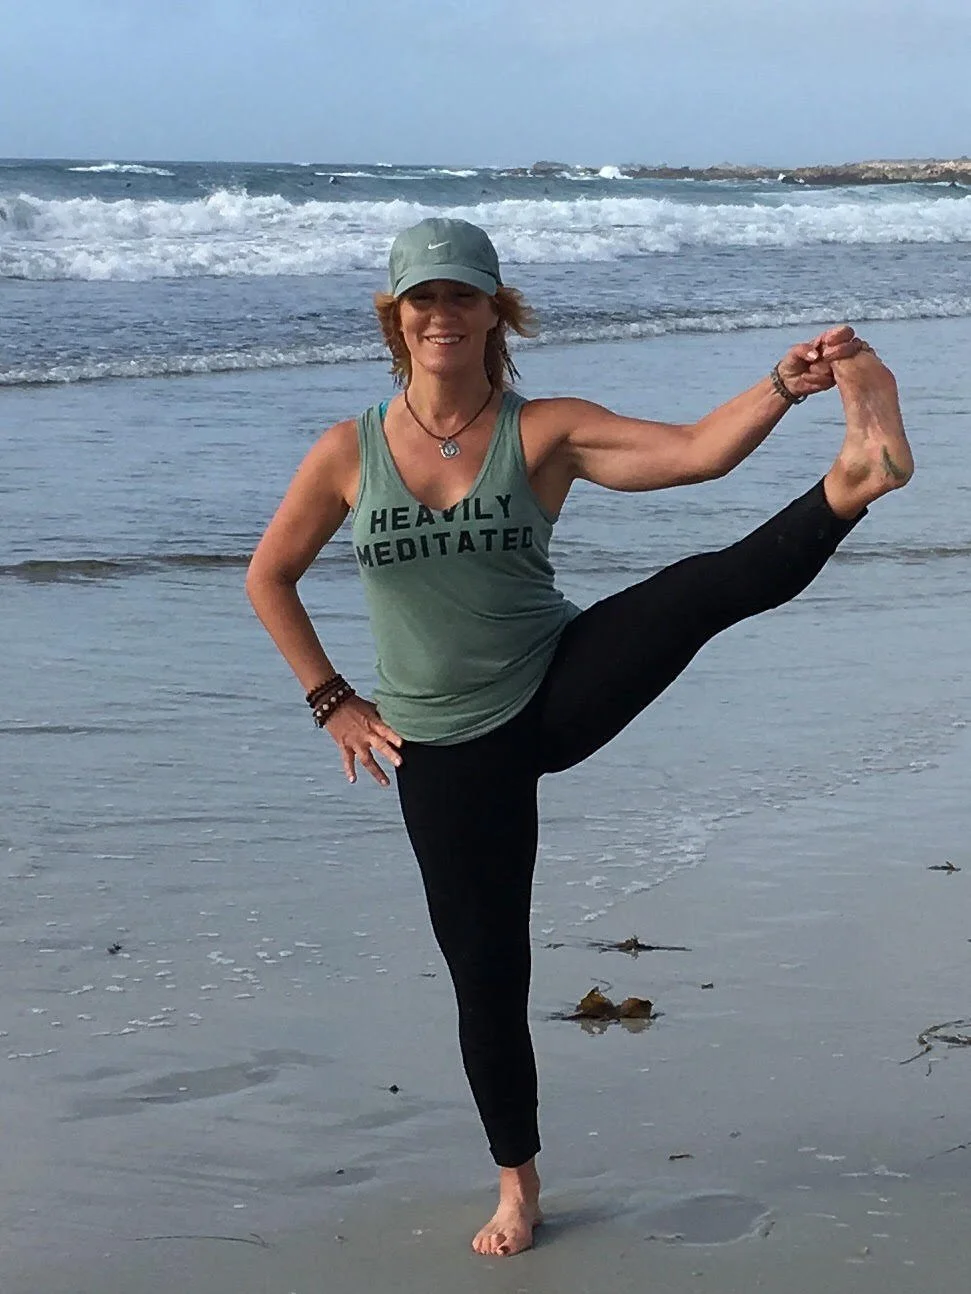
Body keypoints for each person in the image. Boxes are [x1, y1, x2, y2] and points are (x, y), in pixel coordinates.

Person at [245, 217, 914, 1257]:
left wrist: (783, 386)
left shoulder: (543, 431)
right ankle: (517, 1184)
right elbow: (268, 576)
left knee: (696, 591)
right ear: (395, 317)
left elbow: (693, 453)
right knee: (486, 972)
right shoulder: (347, 451)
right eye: (421, 298)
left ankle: (853, 480)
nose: (440, 314)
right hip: (440, 750)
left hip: (552, 684)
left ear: (494, 311)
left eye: (461, 295)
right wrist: (330, 698)